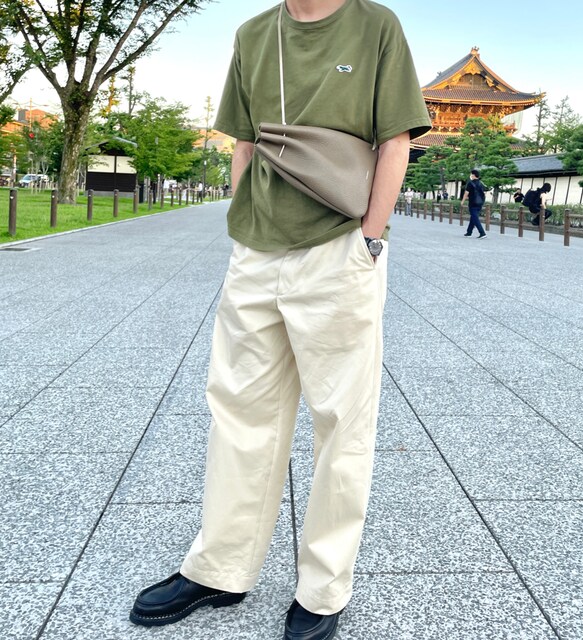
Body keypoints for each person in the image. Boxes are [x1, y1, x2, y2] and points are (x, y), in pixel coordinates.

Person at [128, 2, 431, 640]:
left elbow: (395, 139)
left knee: (341, 420)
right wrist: (244, 225)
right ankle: (220, 567)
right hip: (257, 251)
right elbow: (244, 141)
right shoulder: (254, 34)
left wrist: (371, 237)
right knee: (238, 408)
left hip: (340, 244)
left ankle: (323, 588)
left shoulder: (375, 25)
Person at [460, 169, 487, 238]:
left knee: (475, 217)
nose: (471, 175)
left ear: (473, 175)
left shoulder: (470, 183)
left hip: (473, 202)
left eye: (471, 174)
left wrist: (462, 201)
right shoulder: (481, 183)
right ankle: (469, 232)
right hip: (480, 202)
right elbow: (484, 193)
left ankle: (482, 233)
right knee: (473, 217)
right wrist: (482, 201)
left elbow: (466, 193)